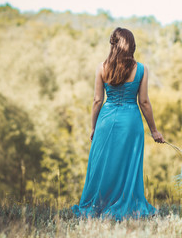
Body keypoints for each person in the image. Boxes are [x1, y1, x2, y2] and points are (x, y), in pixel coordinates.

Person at [71, 27, 165, 222]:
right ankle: (127, 205)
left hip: (106, 121)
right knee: (128, 165)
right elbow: (144, 102)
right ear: (132, 45)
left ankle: (98, 205)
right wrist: (154, 130)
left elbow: (97, 100)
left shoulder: (102, 67)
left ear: (113, 44)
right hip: (131, 122)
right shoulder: (141, 69)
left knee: (103, 164)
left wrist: (94, 127)